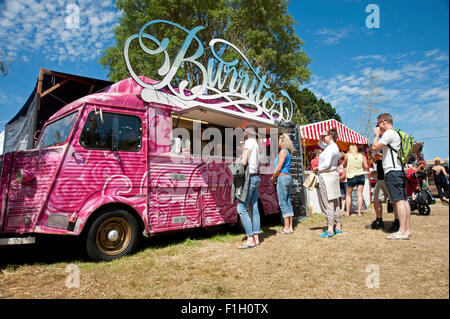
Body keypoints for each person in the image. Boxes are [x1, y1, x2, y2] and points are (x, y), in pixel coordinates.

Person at [372, 113, 411, 240]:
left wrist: (376, 134)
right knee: (404, 200)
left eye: (378, 124)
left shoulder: (389, 133)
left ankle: (401, 230)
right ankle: (406, 230)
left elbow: (374, 147)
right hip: (399, 170)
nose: (377, 126)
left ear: (383, 122)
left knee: (398, 201)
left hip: (392, 171)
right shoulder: (396, 133)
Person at [313, 128, 342, 238]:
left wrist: (317, 168)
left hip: (326, 176)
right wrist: (321, 137)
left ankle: (330, 228)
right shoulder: (333, 147)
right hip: (333, 176)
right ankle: (338, 225)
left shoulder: (331, 148)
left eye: (325, 135)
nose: (323, 137)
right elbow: (321, 144)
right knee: (335, 201)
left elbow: (327, 164)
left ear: (330, 136)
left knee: (327, 202)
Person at [236, 127, 261, 249]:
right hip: (256, 177)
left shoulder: (248, 142)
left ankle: (250, 238)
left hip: (249, 178)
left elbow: (244, 161)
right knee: (254, 207)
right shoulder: (256, 143)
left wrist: (237, 162)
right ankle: (256, 237)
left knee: (241, 207)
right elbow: (259, 163)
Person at [271, 134, 294, 234]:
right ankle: (290, 227)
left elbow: (279, 167)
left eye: (279, 140)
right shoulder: (288, 152)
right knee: (288, 201)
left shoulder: (283, 151)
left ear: (282, 141)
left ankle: (286, 227)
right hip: (287, 176)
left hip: (282, 177)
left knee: (282, 202)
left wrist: (273, 177)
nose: (278, 142)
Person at [343, 145, 368, 216]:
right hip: (360, 176)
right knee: (359, 194)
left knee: (348, 195)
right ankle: (359, 212)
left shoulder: (347, 155)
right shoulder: (362, 156)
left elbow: (344, 166)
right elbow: (366, 167)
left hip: (351, 176)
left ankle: (347, 212)